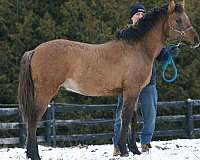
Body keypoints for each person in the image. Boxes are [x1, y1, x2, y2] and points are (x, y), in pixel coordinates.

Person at [112, 1, 173, 156]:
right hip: (126, 81)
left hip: (148, 81)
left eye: (142, 14)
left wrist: (168, 53)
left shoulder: (151, 37)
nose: (140, 16)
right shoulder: (124, 33)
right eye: (137, 14)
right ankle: (118, 145)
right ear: (132, 18)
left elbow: (160, 54)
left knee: (150, 113)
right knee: (122, 113)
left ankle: (145, 142)